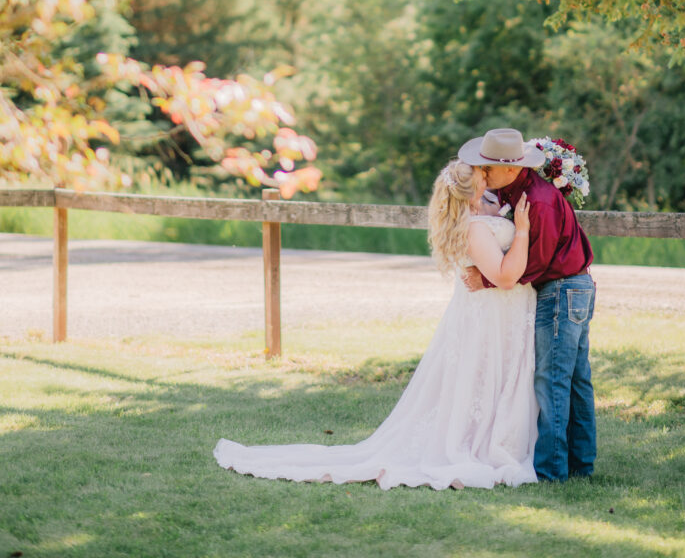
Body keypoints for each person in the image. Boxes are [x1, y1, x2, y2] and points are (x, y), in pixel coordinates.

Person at [214, 159, 539, 490]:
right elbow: (503, 275)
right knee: (483, 378)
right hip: (491, 318)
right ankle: (481, 443)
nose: (488, 177)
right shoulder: (474, 227)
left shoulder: (478, 217)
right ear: (473, 191)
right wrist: (523, 229)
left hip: (491, 316)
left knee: (481, 379)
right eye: (482, 176)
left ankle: (489, 434)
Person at [459, 127, 596, 483]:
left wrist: (487, 279)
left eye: (487, 167)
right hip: (571, 288)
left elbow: (538, 260)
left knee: (552, 381)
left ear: (510, 167)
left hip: (562, 289)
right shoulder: (511, 191)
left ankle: (552, 471)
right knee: (576, 380)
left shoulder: (539, 200)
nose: (483, 173)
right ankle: (581, 464)